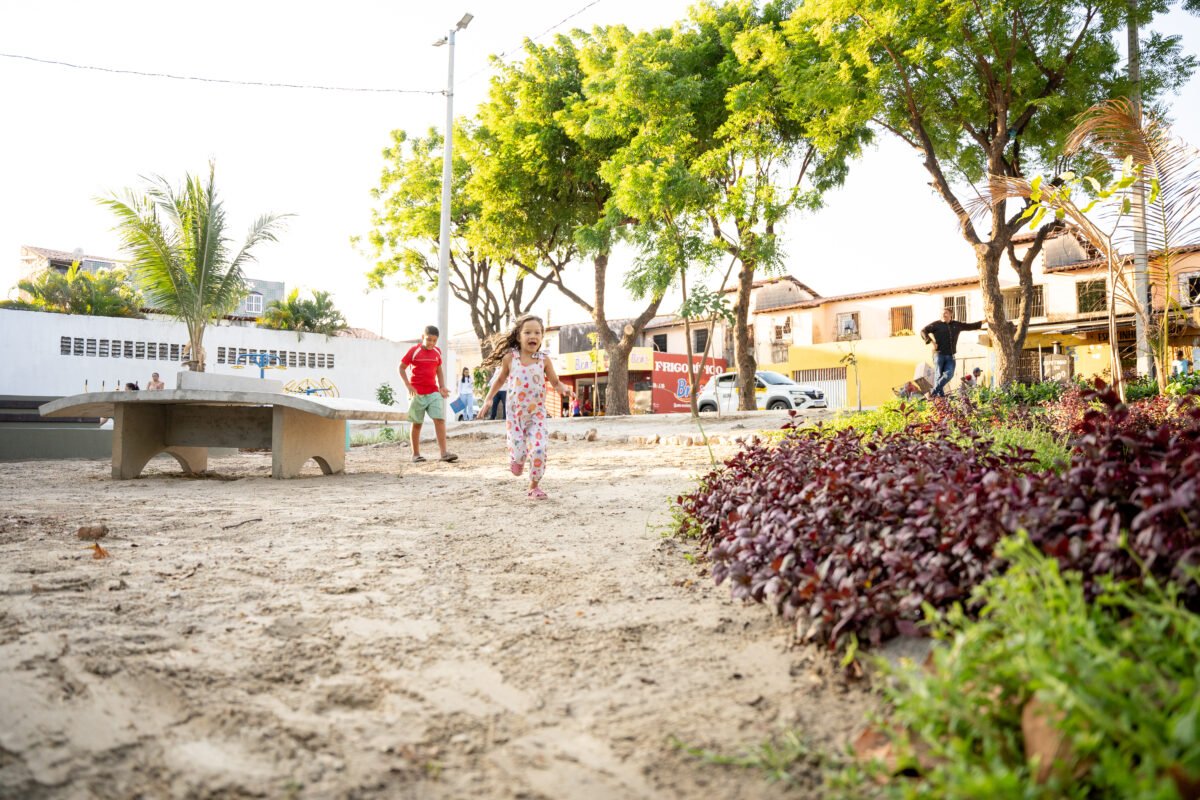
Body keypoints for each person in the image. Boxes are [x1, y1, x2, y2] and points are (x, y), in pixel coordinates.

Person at [479, 314, 574, 500]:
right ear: (518, 336)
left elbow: (555, 382)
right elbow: (499, 380)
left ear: (542, 337)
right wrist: (488, 399)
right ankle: (517, 459)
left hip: (537, 415)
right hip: (515, 415)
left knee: (539, 449)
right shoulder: (510, 358)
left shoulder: (543, 359)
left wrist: (564, 389)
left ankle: (533, 487)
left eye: (537, 332)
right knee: (520, 453)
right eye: (528, 332)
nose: (533, 336)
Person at [398, 325, 458, 464]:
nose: (431, 343)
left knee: (440, 420)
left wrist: (442, 386)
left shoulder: (437, 352)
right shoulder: (414, 351)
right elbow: (401, 368)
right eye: (428, 339)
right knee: (417, 423)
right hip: (417, 393)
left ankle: (444, 453)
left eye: (434, 340)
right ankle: (416, 454)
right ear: (422, 337)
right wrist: (408, 384)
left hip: (433, 392)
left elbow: (439, 370)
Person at [921, 309, 984, 397]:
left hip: (950, 356)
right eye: (942, 313)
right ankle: (940, 398)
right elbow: (923, 331)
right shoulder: (936, 324)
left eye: (946, 313)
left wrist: (984, 321)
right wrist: (932, 342)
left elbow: (970, 326)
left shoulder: (956, 325)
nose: (944, 314)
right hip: (939, 354)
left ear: (951, 314)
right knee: (938, 376)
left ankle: (933, 393)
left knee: (949, 375)